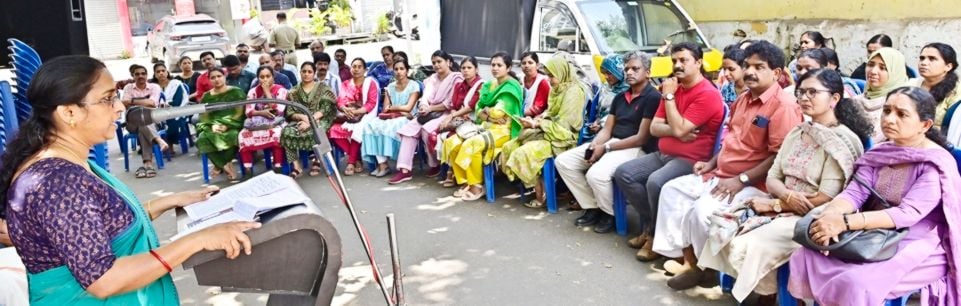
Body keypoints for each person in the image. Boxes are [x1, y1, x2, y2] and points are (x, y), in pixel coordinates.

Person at [0, 55, 259, 304]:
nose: (120, 107)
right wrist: (197, 240)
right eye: (107, 98)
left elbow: (103, 223)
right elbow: (104, 279)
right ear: (69, 113)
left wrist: (171, 201)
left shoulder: (68, 163)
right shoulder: (57, 183)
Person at [698, 69, 872, 304]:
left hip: (815, 215)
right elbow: (773, 177)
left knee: (748, 243)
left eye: (813, 92)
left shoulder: (840, 141)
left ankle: (776, 298)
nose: (804, 98)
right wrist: (784, 197)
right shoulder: (798, 131)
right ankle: (768, 294)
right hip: (781, 203)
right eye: (801, 92)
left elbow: (826, 196)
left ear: (834, 98)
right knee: (723, 223)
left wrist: (777, 204)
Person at [789, 87, 961, 306]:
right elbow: (854, 193)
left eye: (901, 114)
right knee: (806, 255)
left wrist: (844, 223)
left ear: (925, 125)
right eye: (887, 110)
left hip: (919, 240)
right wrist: (830, 216)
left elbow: (907, 214)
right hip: (871, 232)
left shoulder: (935, 163)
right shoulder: (881, 153)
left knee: (856, 283)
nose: (889, 119)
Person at [652, 41, 802, 290]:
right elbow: (730, 141)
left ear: (776, 73)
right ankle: (688, 260)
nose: (750, 72)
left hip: (753, 183)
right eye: (747, 65)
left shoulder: (783, 106)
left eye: (759, 67)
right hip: (721, 173)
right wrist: (710, 163)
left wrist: (740, 180)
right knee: (672, 190)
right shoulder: (743, 99)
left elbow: (779, 158)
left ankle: (706, 269)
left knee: (702, 211)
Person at [612, 43, 726, 260]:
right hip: (663, 153)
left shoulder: (707, 94)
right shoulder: (674, 88)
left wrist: (671, 100)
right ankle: (650, 224)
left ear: (699, 63)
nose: (677, 65)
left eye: (684, 60)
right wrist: (676, 130)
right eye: (675, 61)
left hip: (690, 158)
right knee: (623, 173)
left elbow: (681, 127)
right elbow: (655, 128)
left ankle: (654, 236)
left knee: (655, 182)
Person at [555, 50, 661, 232]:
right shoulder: (620, 97)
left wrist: (605, 148)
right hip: (612, 142)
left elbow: (640, 138)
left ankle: (610, 213)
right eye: (627, 68)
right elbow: (607, 129)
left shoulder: (653, 97)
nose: (629, 72)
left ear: (648, 72)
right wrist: (595, 145)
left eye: (635, 69)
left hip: (636, 149)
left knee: (595, 175)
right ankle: (592, 206)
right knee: (564, 162)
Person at [500, 52, 587, 208]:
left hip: (563, 137)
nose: (549, 79)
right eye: (547, 75)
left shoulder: (574, 92)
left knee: (523, 152)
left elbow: (565, 125)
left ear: (562, 73)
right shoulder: (558, 88)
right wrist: (536, 120)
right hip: (549, 131)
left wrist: (537, 125)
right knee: (510, 146)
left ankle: (541, 192)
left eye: (551, 76)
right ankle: (535, 185)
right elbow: (550, 112)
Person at [443, 52, 523, 200]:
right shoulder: (489, 85)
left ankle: (477, 185)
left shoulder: (511, 86)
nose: (495, 68)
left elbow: (499, 112)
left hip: (504, 130)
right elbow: (478, 108)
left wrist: (486, 112)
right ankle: (465, 181)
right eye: (493, 65)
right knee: (451, 142)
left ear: (509, 67)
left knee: (472, 144)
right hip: (486, 126)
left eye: (499, 65)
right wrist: (486, 113)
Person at [388, 50, 464, 184]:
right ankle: (405, 171)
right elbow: (425, 97)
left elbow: (449, 103)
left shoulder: (456, 78)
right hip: (429, 112)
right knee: (407, 131)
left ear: (448, 62)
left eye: (439, 62)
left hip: (447, 113)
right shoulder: (432, 79)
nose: (436, 65)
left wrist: (430, 108)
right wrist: (423, 106)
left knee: (427, 130)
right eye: (434, 62)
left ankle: (434, 165)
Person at [363, 60, 421, 177]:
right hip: (393, 116)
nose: (399, 72)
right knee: (371, 126)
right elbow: (385, 108)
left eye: (402, 69)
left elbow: (409, 108)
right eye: (396, 69)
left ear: (407, 70)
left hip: (407, 118)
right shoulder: (390, 86)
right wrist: (394, 109)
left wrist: (393, 108)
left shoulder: (414, 85)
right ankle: (382, 164)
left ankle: (391, 164)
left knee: (389, 128)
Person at [281, 62, 337, 178]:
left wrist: (310, 121)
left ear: (314, 73)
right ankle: (296, 166)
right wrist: (303, 118)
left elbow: (325, 109)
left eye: (309, 72)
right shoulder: (293, 91)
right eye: (304, 71)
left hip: (319, 119)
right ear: (300, 73)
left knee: (317, 130)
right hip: (300, 121)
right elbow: (290, 112)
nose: (306, 74)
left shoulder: (323, 88)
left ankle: (317, 160)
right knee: (286, 132)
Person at [438, 56, 485, 187]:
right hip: (459, 118)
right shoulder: (459, 85)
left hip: (474, 120)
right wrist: (453, 115)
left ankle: (452, 171)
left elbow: (471, 106)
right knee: (441, 133)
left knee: (452, 136)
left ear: (476, 69)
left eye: (469, 68)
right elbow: (454, 105)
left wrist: (451, 117)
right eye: (463, 68)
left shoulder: (481, 85)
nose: (466, 71)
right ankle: (451, 170)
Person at [328, 58, 379, 175]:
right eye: (354, 66)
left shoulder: (370, 83)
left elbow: (371, 103)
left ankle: (350, 162)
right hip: (349, 115)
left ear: (365, 70)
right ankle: (357, 159)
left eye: (359, 67)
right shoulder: (345, 84)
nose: (356, 69)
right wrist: (345, 109)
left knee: (357, 129)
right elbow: (340, 102)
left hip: (365, 115)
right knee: (333, 130)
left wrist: (357, 112)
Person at [121, 64, 168, 179]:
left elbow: (152, 103)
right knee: (140, 116)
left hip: (151, 120)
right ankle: (158, 140)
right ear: (133, 76)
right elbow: (124, 103)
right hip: (132, 123)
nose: (140, 76)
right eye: (137, 74)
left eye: (143, 74)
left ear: (147, 75)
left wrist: (132, 101)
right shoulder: (128, 88)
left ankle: (148, 164)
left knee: (144, 124)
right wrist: (143, 102)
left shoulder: (154, 87)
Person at [197, 67, 245, 180]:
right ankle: (225, 165)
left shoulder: (236, 91)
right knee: (202, 138)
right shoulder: (206, 96)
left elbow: (239, 112)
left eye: (219, 76)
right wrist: (212, 125)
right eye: (213, 77)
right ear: (209, 80)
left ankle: (218, 166)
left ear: (224, 77)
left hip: (233, 123)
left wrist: (227, 125)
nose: (216, 79)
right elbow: (204, 116)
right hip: (213, 125)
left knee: (233, 136)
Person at [240, 66, 288, 176]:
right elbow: (248, 111)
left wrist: (267, 92)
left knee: (277, 134)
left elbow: (278, 111)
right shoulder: (253, 91)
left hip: (276, 122)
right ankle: (248, 170)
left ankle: (278, 166)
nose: (265, 79)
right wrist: (262, 112)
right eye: (262, 77)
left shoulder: (281, 90)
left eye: (268, 76)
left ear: (273, 77)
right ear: (258, 78)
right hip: (257, 123)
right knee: (242, 135)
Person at [855, 47, 909, 143]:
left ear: (895, 73)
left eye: (883, 68)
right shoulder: (854, 101)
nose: (873, 71)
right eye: (870, 65)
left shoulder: (902, 106)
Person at [907, 43, 961, 127]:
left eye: (932, 59)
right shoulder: (911, 84)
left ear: (948, 66)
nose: (924, 63)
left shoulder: (957, 91)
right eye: (922, 58)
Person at [583, 54, 630, 142]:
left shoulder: (629, 91)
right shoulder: (605, 88)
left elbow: (622, 115)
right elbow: (597, 110)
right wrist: (597, 122)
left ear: (619, 72)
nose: (606, 77)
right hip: (598, 128)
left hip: (617, 134)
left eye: (609, 73)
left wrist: (602, 125)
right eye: (604, 73)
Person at [151, 63, 190, 156]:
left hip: (176, 110)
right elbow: (151, 101)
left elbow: (179, 101)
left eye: (163, 71)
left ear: (167, 72)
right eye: (158, 72)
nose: (161, 73)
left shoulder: (176, 84)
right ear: (155, 74)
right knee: (149, 121)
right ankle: (156, 147)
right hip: (158, 111)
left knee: (172, 119)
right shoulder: (153, 87)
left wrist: (166, 105)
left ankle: (170, 146)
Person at [520, 52, 551, 117]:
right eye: (523, 63)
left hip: (536, 119)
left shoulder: (542, 81)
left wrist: (520, 113)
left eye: (530, 63)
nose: (526, 66)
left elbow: (538, 108)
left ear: (537, 65)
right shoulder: (519, 79)